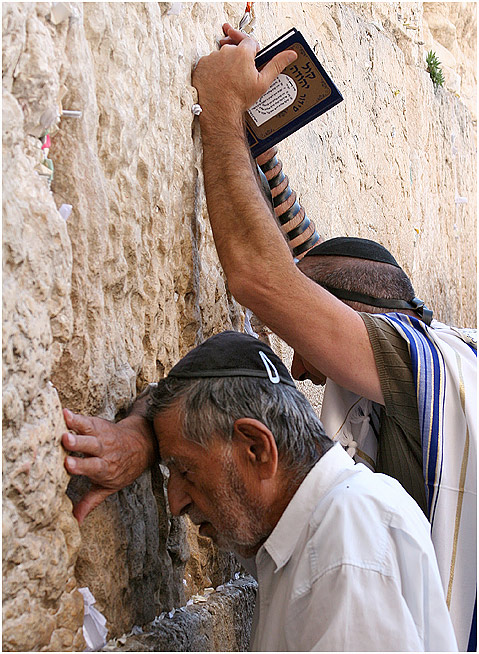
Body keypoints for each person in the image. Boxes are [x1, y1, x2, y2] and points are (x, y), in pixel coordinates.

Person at [62, 22, 476, 650]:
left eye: (308, 343)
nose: (302, 371)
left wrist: (224, 115)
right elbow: (299, 274)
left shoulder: (419, 368)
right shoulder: (424, 369)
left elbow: (265, 276)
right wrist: (261, 158)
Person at [144, 331, 460, 650]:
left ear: (256, 449)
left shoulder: (346, 535)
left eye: (184, 470)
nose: (175, 503)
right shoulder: (308, 526)